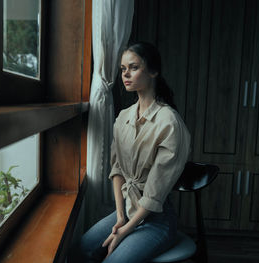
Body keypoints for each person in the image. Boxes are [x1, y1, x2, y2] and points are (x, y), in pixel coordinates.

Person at [69, 42, 191, 263]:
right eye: (123, 69)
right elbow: (117, 170)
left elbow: (155, 193)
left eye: (133, 67)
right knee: (79, 251)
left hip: (156, 219)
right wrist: (119, 216)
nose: (126, 74)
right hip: (126, 209)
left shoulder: (169, 123)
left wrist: (124, 232)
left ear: (153, 71)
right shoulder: (123, 117)